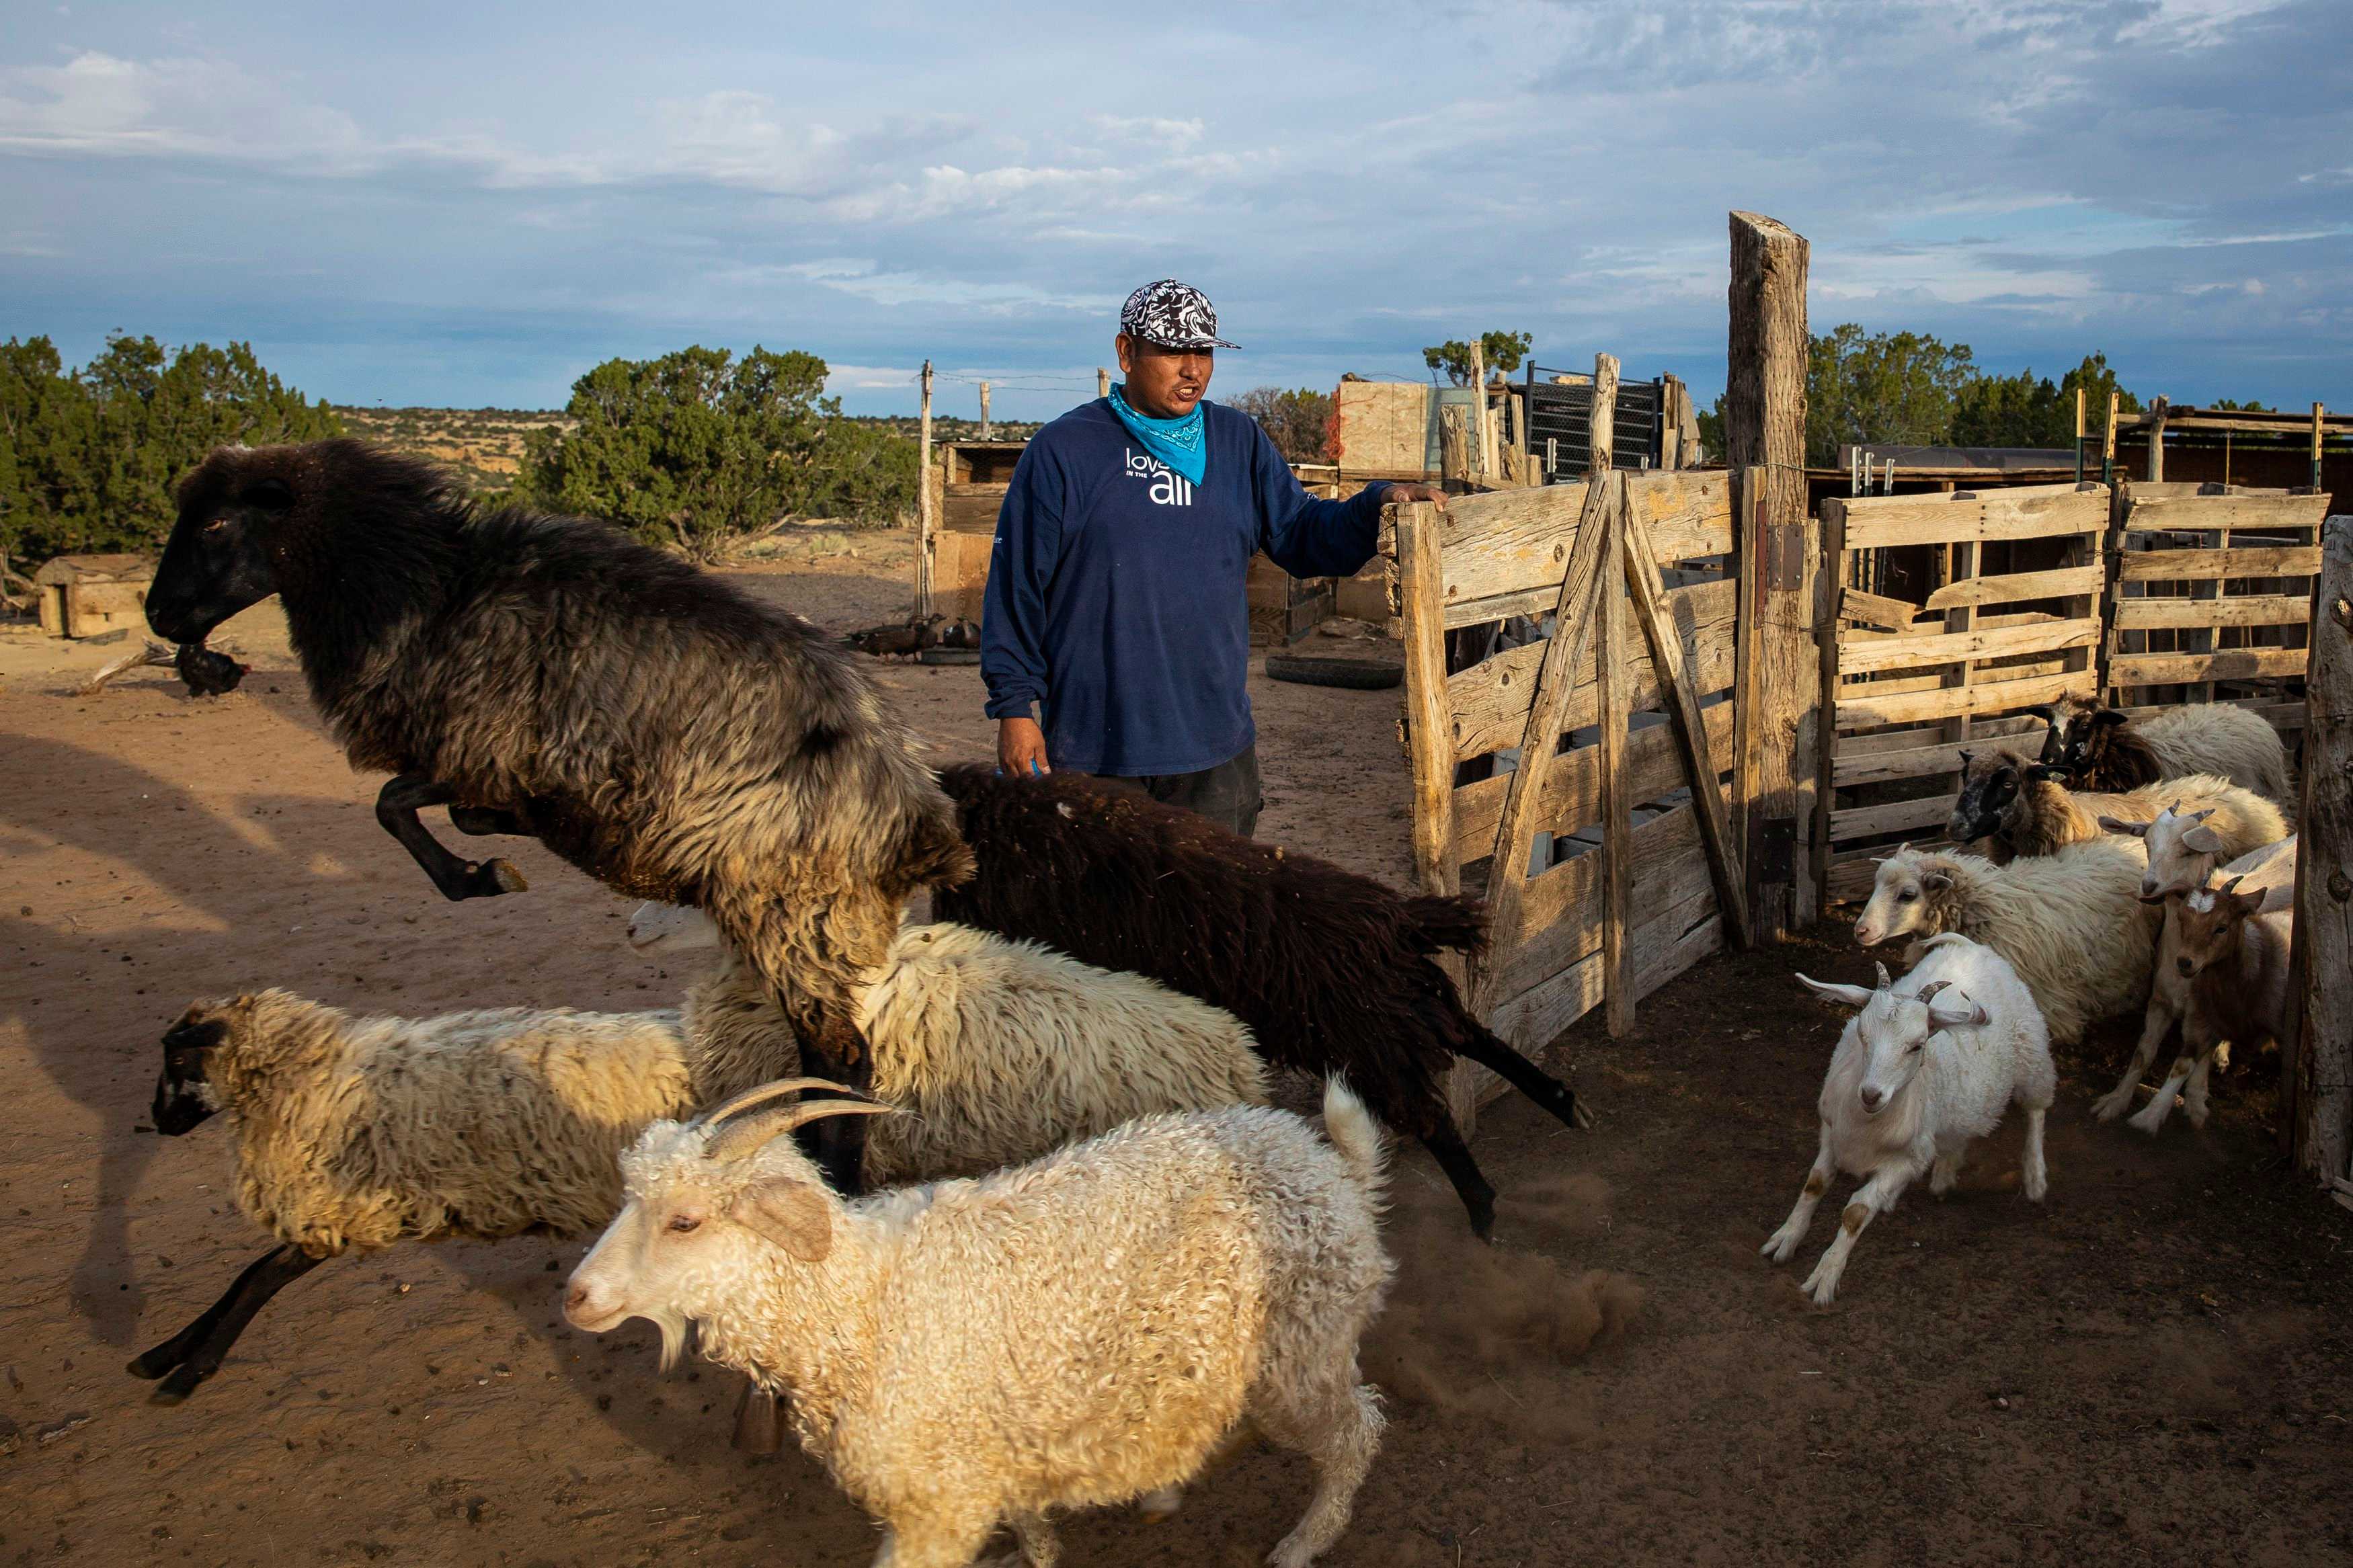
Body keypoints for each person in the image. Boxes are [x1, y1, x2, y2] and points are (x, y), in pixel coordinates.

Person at [980, 280, 1446, 837]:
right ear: (1126, 352)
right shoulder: (1066, 449)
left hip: (1213, 749)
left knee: (1215, 919)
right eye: (1173, 350)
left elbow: (1301, 534)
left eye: (1202, 351)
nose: (1192, 369)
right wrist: (1013, 709)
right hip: (1095, 746)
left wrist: (1377, 506)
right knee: (1100, 919)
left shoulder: (1237, 442)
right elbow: (1017, 586)